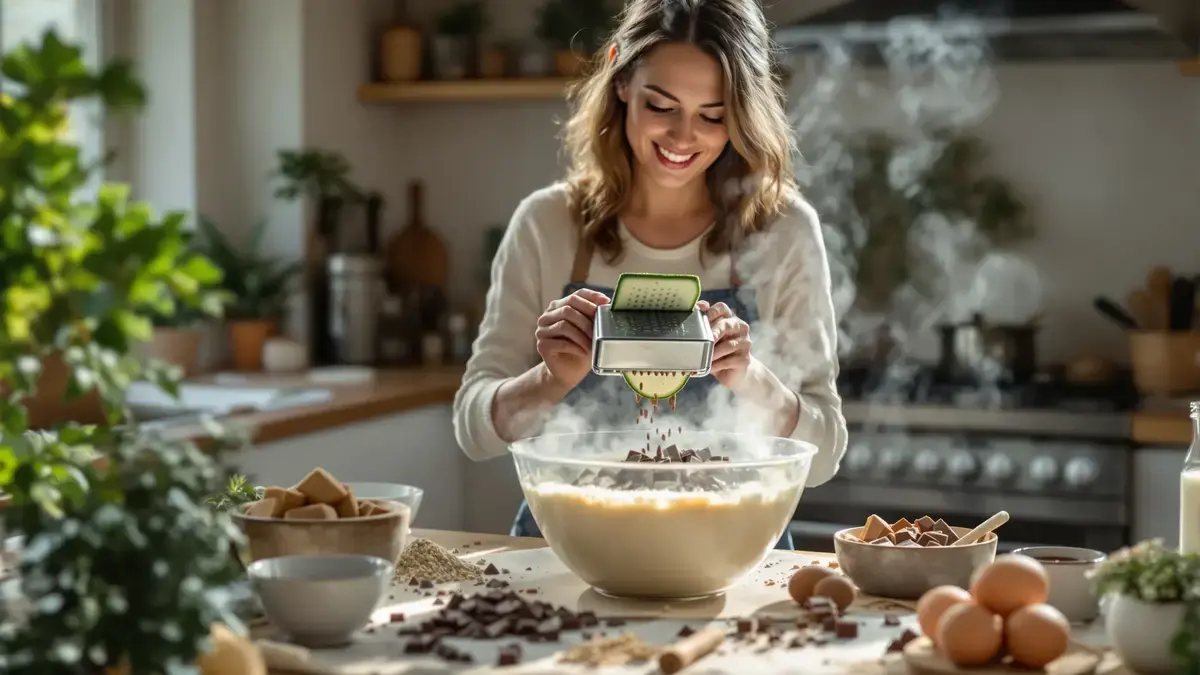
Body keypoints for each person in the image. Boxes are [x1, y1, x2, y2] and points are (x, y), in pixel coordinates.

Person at [452, 0, 847, 550]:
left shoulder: (783, 232)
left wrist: (751, 379)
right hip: (567, 550)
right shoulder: (548, 225)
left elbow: (825, 452)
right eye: (660, 105)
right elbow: (474, 431)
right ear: (619, 78)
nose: (684, 138)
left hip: (729, 553)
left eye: (714, 115)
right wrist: (550, 379)